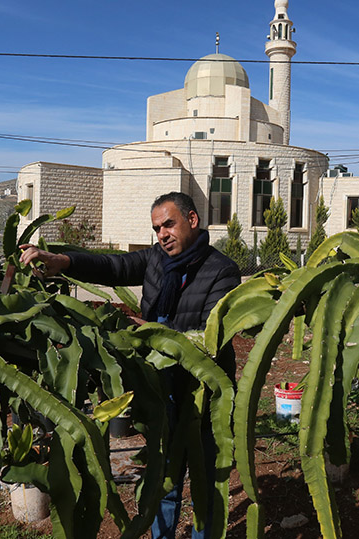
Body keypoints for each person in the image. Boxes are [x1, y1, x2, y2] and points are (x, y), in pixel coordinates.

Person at [19, 191, 241, 538]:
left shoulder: (222, 271)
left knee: (204, 484)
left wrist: (148, 332)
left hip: (203, 398)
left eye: (169, 224)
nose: (162, 234)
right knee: (163, 481)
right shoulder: (155, 260)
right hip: (160, 390)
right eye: (156, 229)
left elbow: (209, 338)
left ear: (192, 221)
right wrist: (64, 261)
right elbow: (113, 266)